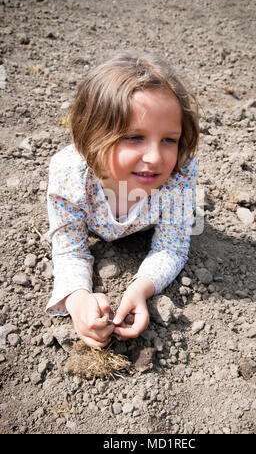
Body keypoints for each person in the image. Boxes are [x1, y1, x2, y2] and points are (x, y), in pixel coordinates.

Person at [46, 51, 200, 348]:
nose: (155, 158)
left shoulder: (180, 171)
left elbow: (173, 244)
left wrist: (140, 290)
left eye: (169, 139)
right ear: (94, 135)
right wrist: (78, 301)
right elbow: (70, 249)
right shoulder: (69, 174)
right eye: (134, 137)